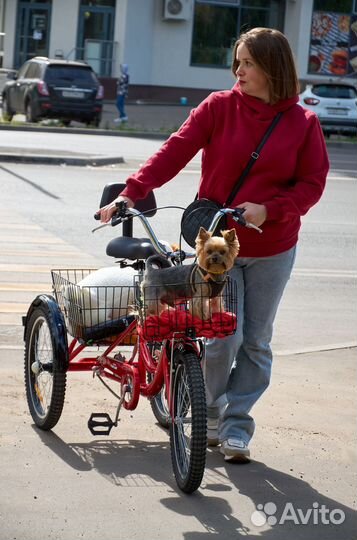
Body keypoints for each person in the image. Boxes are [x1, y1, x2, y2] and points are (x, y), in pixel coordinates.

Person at [98, 28, 329, 463]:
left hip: (274, 247)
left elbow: (312, 185)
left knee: (257, 341)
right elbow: (175, 150)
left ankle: (238, 427)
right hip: (217, 248)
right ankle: (211, 418)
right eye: (237, 62)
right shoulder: (220, 107)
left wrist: (269, 209)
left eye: (248, 63)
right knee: (223, 337)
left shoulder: (303, 123)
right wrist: (132, 191)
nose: (238, 71)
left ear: (272, 68)